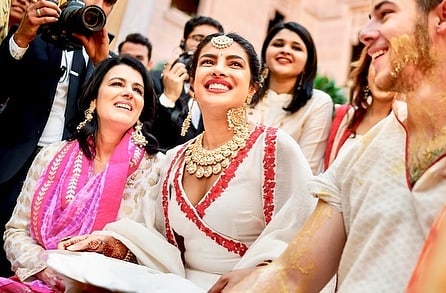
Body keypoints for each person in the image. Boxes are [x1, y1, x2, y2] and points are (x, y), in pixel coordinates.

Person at [215, 0, 446, 292]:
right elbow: (292, 276)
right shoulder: (360, 154)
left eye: (385, 14)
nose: (364, 34)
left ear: (444, 16)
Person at [59, 33, 317, 291]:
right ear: (192, 81)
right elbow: (149, 233)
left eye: (234, 64)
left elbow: (305, 235)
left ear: (253, 86)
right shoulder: (174, 159)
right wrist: (107, 244)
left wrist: (263, 272)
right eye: (208, 61)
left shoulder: (274, 147)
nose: (219, 69)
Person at [0, 0, 123, 277]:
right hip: (10, 164)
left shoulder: (101, 51)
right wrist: (24, 35)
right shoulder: (36, 32)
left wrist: (101, 63)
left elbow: (107, 121)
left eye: (109, 1)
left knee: (25, 263)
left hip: (60, 179)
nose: (100, 5)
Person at [0, 55, 162, 292]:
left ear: (141, 108)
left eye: (138, 90)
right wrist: (44, 267)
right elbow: (16, 231)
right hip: (39, 281)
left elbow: (150, 250)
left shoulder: (154, 169)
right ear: (94, 99)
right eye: (117, 84)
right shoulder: (50, 156)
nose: (129, 92)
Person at [247, 21, 333, 174]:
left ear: (307, 63)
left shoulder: (318, 103)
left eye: (296, 48)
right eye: (278, 44)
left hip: (284, 193)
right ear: (265, 54)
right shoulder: (244, 94)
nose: (285, 50)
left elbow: (306, 170)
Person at [152, 15, 224, 151]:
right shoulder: (154, 80)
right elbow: (148, 136)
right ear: (183, 42)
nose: (203, 45)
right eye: (198, 38)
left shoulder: (220, 91)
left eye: (212, 41)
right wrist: (168, 98)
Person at [323, 51, 394, 170]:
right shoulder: (341, 117)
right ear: (366, 73)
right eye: (379, 61)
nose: (384, 74)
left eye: (394, 65)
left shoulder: (411, 128)